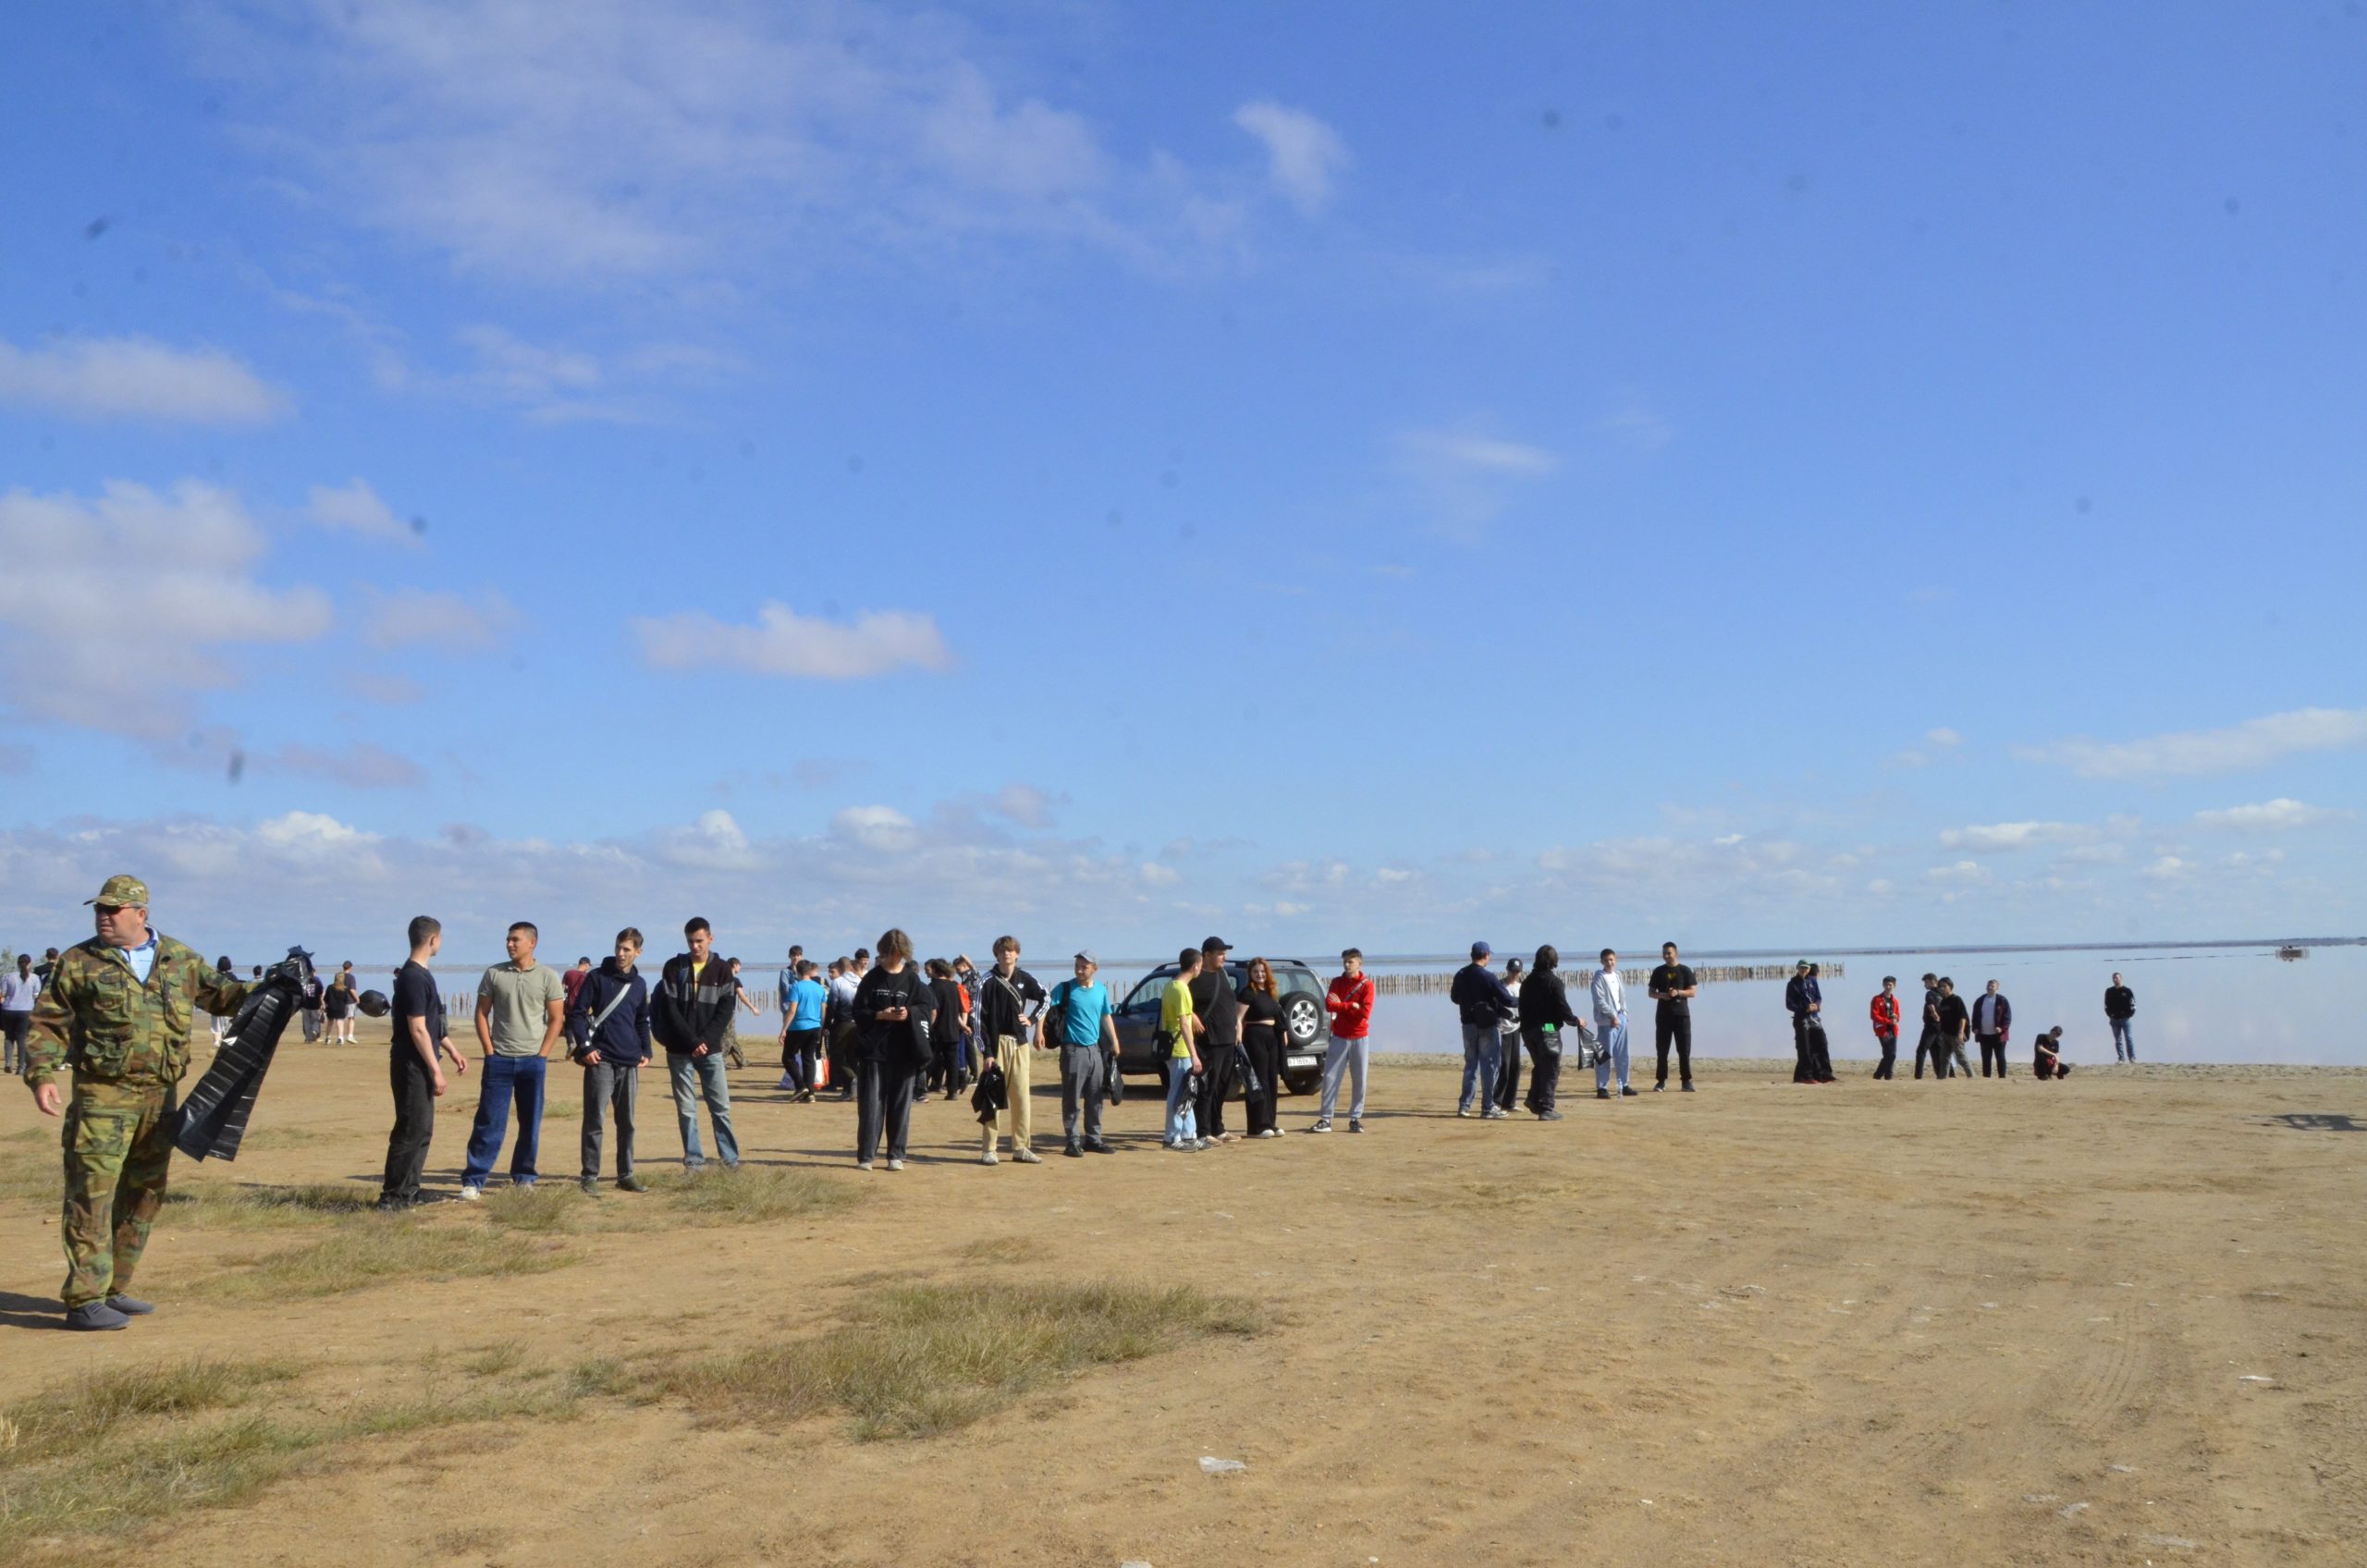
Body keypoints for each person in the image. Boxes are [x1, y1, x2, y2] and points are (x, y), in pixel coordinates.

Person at [23, 875, 252, 1329]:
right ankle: (85, 1299)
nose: (103, 917)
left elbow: (227, 998)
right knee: (92, 1194)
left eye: (113, 910)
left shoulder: (180, 959)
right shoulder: (78, 962)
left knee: (145, 1193)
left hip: (160, 1097)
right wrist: (41, 1075)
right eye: (99, 910)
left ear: (141, 914)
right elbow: (48, 1023)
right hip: (102, 1096)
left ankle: (113, 1287)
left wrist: (280, 987)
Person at [458, 920, 568, 1198]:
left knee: (530, 1122)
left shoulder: (548, 976)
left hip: (533, 1061)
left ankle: (524, 1177)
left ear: (532, 943)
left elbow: (557, 1019)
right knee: (489, 1121)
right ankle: (474, 1181)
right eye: (508, 939)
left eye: (515, 940)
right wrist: (489, 1051)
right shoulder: (494, 973)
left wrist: (543, 1054)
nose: (509, 944)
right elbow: (481, 1014)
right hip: (499, 1060)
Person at [381, 915, 467, 1211]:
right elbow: (417, 1029)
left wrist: (452, 1050)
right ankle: (392, 1196)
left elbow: (431, 1025)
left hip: (421, 1062)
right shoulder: (413, 977)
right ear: (433, 940)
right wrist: (436, 1069)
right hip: (411, 1065)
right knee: (410, 1129)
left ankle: (410, 1191)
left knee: (421, 1129)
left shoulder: (421, 975)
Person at [569, 928, 653, 1194]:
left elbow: (641, 1020)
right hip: (601, 1059)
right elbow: (577, 1014)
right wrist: (585, 1046)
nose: (620, 953)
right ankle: (589, 1176)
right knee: (595, 1120)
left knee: (627, 1122)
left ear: (638, 952)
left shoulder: (640, 984)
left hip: (629, 1061)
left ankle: (626, 1175)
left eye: (627, 949)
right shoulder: (596, 977)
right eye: (618, 947)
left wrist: (646, 1050)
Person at [652, 918, 740, 1171]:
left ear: (710, 938)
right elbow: (669, 1008)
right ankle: (694, 1162)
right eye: (690, 941)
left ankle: (730, 1160)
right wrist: (692, 1041)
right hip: (680, 1050)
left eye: (699, 941)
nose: (695, 946)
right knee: (686, 1109)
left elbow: (725, 1011)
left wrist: (705, 1041)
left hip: (711, 1051)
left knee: (720, 1107)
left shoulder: (723, 970)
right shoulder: (673, 967)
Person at [852, 927, 933, 1171]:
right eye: (891, 953)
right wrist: (880, 1015)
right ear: (883, 951)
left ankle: (896, 1155)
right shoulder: (871, 979)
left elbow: (926, 1008)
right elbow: (858, 1012)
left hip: (905, 1051)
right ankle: (866, 1156)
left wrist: (909, 1013)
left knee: (900, 1106)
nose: (895, 958)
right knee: (871, 1106)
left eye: (899, 954)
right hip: (874, 1051)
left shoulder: (912, 979)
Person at [977, 936, 1047, 1165]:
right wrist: (987, 1052)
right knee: (993, 1097)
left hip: (1019, 1044)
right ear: (996, 955)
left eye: (1010, 950)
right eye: (1001, 950)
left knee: (1021, 1098)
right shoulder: (986, 981)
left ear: (1017, 954)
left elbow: (1046, 998)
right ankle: (989, 1149)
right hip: (996, 1045)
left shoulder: (1025, 978)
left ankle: (1021, 1147)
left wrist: (1032, 1019)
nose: (1006, 954)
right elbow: (978, 1020)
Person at [1045, 950, 1119, 1156]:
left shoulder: (1101, 990)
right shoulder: (1065, 989)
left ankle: (1094, 1139)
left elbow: (1106, 1016)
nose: (1079, 970)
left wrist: (1114, 1041)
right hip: (1072, 1050)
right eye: (1077, 966)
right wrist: (1038, 1033)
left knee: (1096, 1097)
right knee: (1072, 1098)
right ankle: (1072, 1141)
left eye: (1084, 967)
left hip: (1095, 1050)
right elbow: (1044, 1006)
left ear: (1094, 969)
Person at [1517, 945, 1586, 1120]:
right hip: (1547, 1028)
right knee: (1550, 1068)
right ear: (1554, 961)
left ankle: (1533, 1099)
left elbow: (1521, 1007)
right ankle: (1546, 1107)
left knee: (1541, 1065)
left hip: (1528, 1030)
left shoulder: (1527, 982)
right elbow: (1563, 1008)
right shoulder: (1554, 982)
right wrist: (1576, 1020)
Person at [1450, 941, 1517, 1119]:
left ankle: (1464, 1106)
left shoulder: (1461, 974)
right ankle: (1488, 1107)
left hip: (1468, 1024)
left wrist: (1469, 1003)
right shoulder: (1488, 976)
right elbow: (1507, 999)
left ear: (1472, 955)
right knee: (1490, 1066)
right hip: (1487, 1025)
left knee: (1471, 1065)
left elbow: (1455, 998)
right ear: (1486, 955)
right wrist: (1526, 1001)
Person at [1189, 937, 1244, 1143]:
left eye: (1224, 953)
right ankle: (1203, 1132)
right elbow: (1181, 1003)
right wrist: (1192, 1016)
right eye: (1220, 954)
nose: (1224, 957)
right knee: (1206, 1088)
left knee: (1222, 1088)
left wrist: (1237, 1027)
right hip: (1209, 1041)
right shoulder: (1195, 977)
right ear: (1207, 955)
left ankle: (1218, 1128)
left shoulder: (1222, 974)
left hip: (1228, 1039)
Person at [1314, 948, 1374, 1134]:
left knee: (1360, 1079)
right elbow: (1329, 1005)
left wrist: (1342, 1006)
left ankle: (1355, 1118)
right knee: (1330, 1078)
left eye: (1351, 962)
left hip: (1360, 1037)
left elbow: (1364, 1013)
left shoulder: (1367, 986)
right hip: (1339, 1036)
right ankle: (1326, 1119)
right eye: (1345, 962)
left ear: (1359, 964)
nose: (1347, 965)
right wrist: (1350, 1005)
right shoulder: (1337, 982)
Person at [1236, 957, 1288, 1140]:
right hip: (1254, 1037)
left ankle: (1270, 1122)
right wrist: (1238, 1040)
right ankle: (1257, 1126)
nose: (1260, 974)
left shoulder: (1270, 992)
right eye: (1256, 971)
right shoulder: (1248, 992)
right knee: (1258, 1080)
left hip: (1272, 1038)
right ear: (1250, 973)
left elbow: (1278, 1016)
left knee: (1271, 1080)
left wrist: (1283, 1034)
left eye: (1262, 971)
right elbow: (1238, 1018)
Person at [1160, 948, 1206, 1150]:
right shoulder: (1181, 989)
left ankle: (1189, 1134)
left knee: (1187, 1093)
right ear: (1195, 966)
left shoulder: (1171, 986)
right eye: (1200, 965)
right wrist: (1194, 1054)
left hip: (1176, 1048)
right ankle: (1172, 1137)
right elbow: (1184, 1024)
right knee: (1178, 1094)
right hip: (1180, 1049)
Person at [1646, 941, 1699, 1092]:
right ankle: (1661, 1081)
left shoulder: (1685, 970)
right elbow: (1651, 993)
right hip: (1663, 1015)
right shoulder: (1658, 971)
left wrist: (1678, 992)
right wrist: (1661, 995)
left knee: (1684, 1049)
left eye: (1669, 953)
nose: (1666, 956)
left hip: (1681, 1015)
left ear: (1676, 953)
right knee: (1662, 1050)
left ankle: (1686, 1081)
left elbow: (1693, 992)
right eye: (1664, 953)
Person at [777, 960, 827, 1099]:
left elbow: (792, 1009)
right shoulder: (819, 988)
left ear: (797, 972)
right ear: (809, 971)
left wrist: (784, 1029)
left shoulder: (796, 987)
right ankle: (810, 1092)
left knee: (788, 1057)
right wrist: (821, 1027)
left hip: (798, 1027)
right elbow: (823, 1010)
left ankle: (800, 1085)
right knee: (808, 1058)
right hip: (815, 1026)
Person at [1591, 949, 1634, 1098]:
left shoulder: (1618, 975)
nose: (1609, 963)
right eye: (1606, 960)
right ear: (1601, 961)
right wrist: (1612, 1015)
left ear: (1615, 960)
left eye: (1611, 960)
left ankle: (1624, 1084)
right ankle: (1602, 1087)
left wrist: (1624, 1014)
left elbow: (1622, 996)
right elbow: (1599, 1000)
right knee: (1604, 1054)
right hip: (1606, 1021)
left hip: (1620, 1018)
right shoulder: (1599, 977)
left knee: (1623, 1054)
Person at [925, 959, 967, 1101]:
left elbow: (933, 1011)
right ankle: (952, 1091)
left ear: (936, 971)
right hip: (953, 1030)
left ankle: (922, 1087)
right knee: (952, 1062)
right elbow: (958, 1011)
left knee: (930, 1059)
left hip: (938, 1030)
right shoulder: (954, 986)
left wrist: (928, 1027)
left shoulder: (932, 987)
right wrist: (963, 1026)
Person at [1784, 961, 1833, 1084]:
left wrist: (1817, 1005)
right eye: (1801, 968)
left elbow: (1818, 997)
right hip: (1801, 1019)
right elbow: (1789, 1004)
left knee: (1822, 1044)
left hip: (1814, 1018)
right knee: (1805, 1048)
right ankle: (1805, 1076)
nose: (1803, 970)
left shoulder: (1812, 981)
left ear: (1809, 969)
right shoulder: (1792, 984)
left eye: (1806, 968)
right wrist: (1805, 1008)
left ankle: (1825, 1074)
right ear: (1797, 968)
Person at [1492, 956, 1527, 1113]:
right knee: (1504, 1066)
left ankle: (1510, 1102)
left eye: (1518, 971)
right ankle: (1496, 1100)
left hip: (1516, 1029)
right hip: (1502, 1029)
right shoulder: (1501, 986)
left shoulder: (1521, 987)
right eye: (1513, 971)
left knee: (1515, 1066)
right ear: (1507, 970)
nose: (1515, 974)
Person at [2, 951, 38, 1074]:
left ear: (17, 963)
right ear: (29, 964)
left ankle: (8, 1062)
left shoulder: (8, 976)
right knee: (22, 1038)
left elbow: (3, 993)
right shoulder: (34, 978)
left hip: (9, 1009)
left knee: (9, 1037)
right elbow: (36, 995)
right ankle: (21, 1066)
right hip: (26, 1010)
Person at [1972, 979, 2013, 1079]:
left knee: (2000, 1057)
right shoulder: (1980, 1000)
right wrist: (1975, 1028)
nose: (1990, 987)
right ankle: (1986, 1078)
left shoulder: (2002, 1000)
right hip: (1984, 1035)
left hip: (1998, 1035)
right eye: (1988, 985)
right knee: (1986, 1058)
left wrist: (2002, 1028)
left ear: (1997, 988)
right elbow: (1975, 1016)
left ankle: (2002, 1077)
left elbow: (2007, 1017)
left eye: (1992, 986)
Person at [1933, 977, 1972, 1078]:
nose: (1942, 988)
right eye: (1940, 987)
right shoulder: (1943, 1002)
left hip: (1956, 1034)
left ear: (1950, 987)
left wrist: (1960, 1033)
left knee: (1961, 1058)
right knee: (1944, 1058)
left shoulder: (1956, 1000)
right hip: (1946, 1033)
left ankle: (1972, 1077)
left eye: (1944, 986)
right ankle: (1942, 1079)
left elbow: (1963, 1017)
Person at [1869, 976, 1901, 1080]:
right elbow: (1874, 1015)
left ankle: (1888, 1076)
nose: (1888, 987)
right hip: (1882, 1029)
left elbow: (1898, 1015)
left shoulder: (1895, 1000)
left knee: (1891, 1054)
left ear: (1894, 986)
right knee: (1890, 1054)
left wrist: (1895, 1018)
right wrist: (1887, 1021)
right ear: (1883, 985)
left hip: (1893, 1029)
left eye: (1890, 985)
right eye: (1886, 985)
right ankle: (1878, 1075)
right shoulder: (1877, 999)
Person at [1913, 973, 1943, 1079]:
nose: (1925, 985)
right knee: (1936, 1051)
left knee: (1921, 1050)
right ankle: (1941, 1075)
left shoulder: (1930, 993)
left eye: (1926, 982)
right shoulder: (1942, 993)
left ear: (1932, 981)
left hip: (1931, 1026)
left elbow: (1930, 1004)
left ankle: (1918, 1076)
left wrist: (1934, 1015)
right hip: (1940, 1027)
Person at [2104, 974, 2137, 1062]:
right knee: (2118, 1040)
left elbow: (2133, 1004)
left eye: (2117, 978)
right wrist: (2110, 1015)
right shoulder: (2109, 991)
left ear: (2121, 978)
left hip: (2125, 1019)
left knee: (2129, 1038)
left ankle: (2132, 1057)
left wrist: (2129, 1014)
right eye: (2114, 978)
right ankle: (2121, 1058)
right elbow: (2106, 1005)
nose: (2115, 980)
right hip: (2114, 1019)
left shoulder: (2127, 991)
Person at [325, 962, 358, 1045]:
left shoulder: (330, 987)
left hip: (331, 1007)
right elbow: (348, 995)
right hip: (342, 1006)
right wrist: (357, 999)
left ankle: (328, 1038)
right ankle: (343, 1037)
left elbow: (326, 998)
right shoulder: (345, 986)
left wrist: (325, 1005)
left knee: (330, 1022)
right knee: (343, 1021)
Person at [210, 955, 237, 1049]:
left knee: (217, 1028)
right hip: (229, 1007)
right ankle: (227, 1047)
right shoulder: (233, 978)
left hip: (216, 1007)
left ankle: (217, 1043)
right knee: (229, 1029)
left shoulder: (215, 977)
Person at [298, 964, 325, 1044]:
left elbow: (300, 993)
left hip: (305, 1005)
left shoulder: (303, 982)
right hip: (315, 1005)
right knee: (315, 1020)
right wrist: (322, 1002)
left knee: (307, 1022)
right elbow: (321, 993)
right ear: (314, 972)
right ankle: (314, 1030)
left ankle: (308, 1038)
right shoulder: (317, 981)